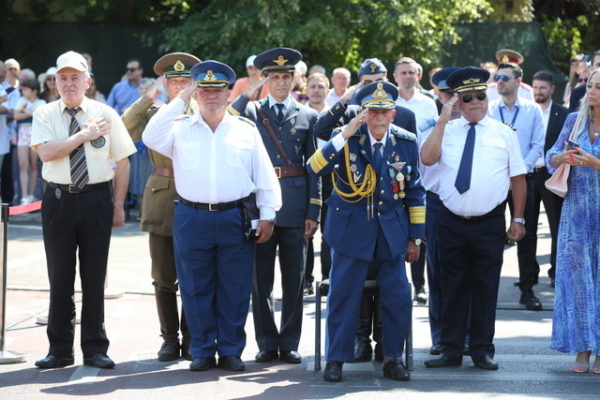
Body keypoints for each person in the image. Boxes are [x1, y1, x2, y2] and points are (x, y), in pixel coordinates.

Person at [143, 60, 282, 372]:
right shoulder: (179, 128)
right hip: (192, 217)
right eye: (204, 90)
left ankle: (231, 350)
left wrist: (268, 214)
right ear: (195, 94)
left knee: (234, 288)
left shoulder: (245, 130)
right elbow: (151, 136)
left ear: (229, 94)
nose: (211, 96)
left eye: (217, 90)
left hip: (234, 215)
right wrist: (181, 98)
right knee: (195, 287)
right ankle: (202, 350)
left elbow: (263, 175)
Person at [308, 81, 425, 382]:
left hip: (391, 232)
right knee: (343, 295)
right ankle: (336, 358)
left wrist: (416, 237)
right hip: (351, 230)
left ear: (393, 114)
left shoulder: (406, 141)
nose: (379, 118)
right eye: (373, 112)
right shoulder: (346, 137)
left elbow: (415, 191)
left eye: (385, 112)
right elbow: (315, 167)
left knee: (397, 296)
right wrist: (345, 134)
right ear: (363, 113)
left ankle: (393, 357)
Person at [31, 50, 136, 369]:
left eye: (75, 77)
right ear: (54, 82)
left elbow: (123, 161)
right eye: (62, 78)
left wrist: (118, 206)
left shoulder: (106, 113)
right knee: (59, 276)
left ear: (88, 81)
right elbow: (46, 153)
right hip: (59, 199)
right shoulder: (44, 113)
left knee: (94, 276)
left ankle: (95, 348)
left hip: (96, 199)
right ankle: (59, 349)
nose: (69, 83)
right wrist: (83, 136)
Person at [422, 67, 526, 371]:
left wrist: (518, 218)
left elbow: (518, 178)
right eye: (467, 98)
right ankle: (450, 349)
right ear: (458, 101)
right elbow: (427, 158)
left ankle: (482, 350)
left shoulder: (504, 133)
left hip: (488, 222)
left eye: (480, 95)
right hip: (451, 220)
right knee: (451, 286)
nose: (476, 102)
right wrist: (443, 119)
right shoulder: (446, 130)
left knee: (485, 287)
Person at [229, 47, 320, 365]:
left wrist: (314, 211)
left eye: (285, 76)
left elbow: (314, 167)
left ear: (294, 79)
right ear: (266, 79)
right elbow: (230, 116)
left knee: (295, 280)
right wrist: (249, 91)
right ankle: (267, 342)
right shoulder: (253, 112)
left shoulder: (308, 116)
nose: (281, 82)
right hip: (261, 204)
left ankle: (290, 342)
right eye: (275, 77)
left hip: (295, 205)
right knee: (260, 280)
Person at [122, 52, 200, 361]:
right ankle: (169, 338)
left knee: (194, 271)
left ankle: (192, 338)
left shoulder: (203, 111)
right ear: (165, 84)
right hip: (162, 193)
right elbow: (125, 126)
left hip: (196, 193)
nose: (179, 87)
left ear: (193, 83)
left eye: (185, 81)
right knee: (163, 273)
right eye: (173, 81)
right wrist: (149, 95)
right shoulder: (154, 111)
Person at [546, 67, 600, 373]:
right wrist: (561, 158)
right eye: (590, 85)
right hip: (576, 213)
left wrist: (595, 163)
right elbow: (550, 156)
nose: (591, 91)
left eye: (599, 87)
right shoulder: (573, 121)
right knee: (578, 282)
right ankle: (582, 349)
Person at [488, 62, 545, 310]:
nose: (499, 82)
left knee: (526, 233)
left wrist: (519, 171)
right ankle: (489, 288)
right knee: (492, 233)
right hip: (497, 179)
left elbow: (537, 145)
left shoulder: (532, 110)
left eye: (505, 78)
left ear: (518, 81)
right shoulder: (490, 110)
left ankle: (527, 288)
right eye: (497, 78)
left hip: (524, 179)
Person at [418, 66, 460, 356]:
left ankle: (467, 334)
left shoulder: (477, 127)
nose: (452, 101)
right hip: (435, 203)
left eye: (456, 95)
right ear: (438, 95)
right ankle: (441, 336)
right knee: (437, 273)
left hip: (468, 204)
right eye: (446, 95)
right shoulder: (427, 128)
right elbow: (419, 175)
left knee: (467, 273)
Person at [393, 56, 438, 305]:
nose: (408, 76)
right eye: (403, 72)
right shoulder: (390, 102)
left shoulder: (428, 103)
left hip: (421, 175)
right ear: (395, 76)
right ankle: (397, 283)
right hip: (392, 177)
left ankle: (420, 286)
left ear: (418, 75)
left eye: (412, 72)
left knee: (418, 233)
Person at [530, 71, 569, 287]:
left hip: (552, 175)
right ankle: (529, 274)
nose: (538, 92)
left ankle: (555, 272)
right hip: (529, 175)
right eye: (535, 87)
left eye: (542, 88)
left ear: (552, 89)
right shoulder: (526, 111)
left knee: (556, 227)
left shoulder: (563, 114)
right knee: (528, 228)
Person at [304, 72, 331, 295]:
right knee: (306, 231)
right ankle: (305, 280)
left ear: (328, 90)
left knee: (329, 232)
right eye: (312, 86)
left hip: (332, 177)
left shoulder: (337, 115)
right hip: (306, 178)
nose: (316, 90)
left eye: (320, 86)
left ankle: (327, 278)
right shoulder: (301, 115)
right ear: (306, 90)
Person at [13, 78, 46, 205]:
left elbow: (41, 117)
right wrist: (30, 113)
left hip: (35, 134)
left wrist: (25, 112)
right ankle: (24, 196)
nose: (24, 92)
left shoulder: (41, 102)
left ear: (34, 91)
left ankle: (31, 195)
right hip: (22, 134)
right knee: (22, 165)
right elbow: (16, 116)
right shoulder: (21, 101)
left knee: (33, 165)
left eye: (26, 90)